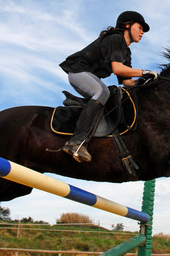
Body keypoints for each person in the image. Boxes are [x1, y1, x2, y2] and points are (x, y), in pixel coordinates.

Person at [59, 11, 159, 163]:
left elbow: (127, 83)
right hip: (78, 71)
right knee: (102, 91)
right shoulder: (115, 38)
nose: (142, 32)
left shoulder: (126, 52)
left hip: (88, 76)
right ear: (127, 25)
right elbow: (118, 69)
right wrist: (145, 72)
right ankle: (76, 142)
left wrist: (148, 81)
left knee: (109, 94)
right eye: (140, 27)